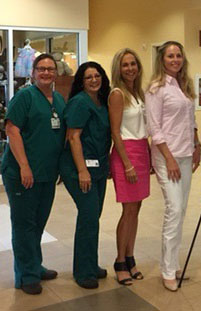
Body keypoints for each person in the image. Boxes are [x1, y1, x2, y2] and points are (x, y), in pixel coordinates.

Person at [1, 54, 65, 295]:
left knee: (38, 223)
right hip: (21, 174)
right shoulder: (24, 97)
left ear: (56, 73)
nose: (46, 73)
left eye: (50, 69)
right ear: (33, 73)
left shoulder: (58, 100)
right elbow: (12, 130)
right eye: (41, 69)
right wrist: (25, 166)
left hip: (46, 174)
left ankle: (34, 266)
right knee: (24, 225)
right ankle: (26, 275)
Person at [145, 41, 201, 292]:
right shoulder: (156, 88)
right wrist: (167, 158)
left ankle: (173, 263)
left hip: (186, 154)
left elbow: (191, 119)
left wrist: (197, 144)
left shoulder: (184, 85)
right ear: (162, 60)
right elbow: (154, 128)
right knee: (174, 209)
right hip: (167, 156)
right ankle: (167, 270)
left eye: (179, 55)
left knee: (181, 211)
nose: (175, 59)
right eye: (170, 56)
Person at [59, 61, 111, 289]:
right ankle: (83, 272)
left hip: (98, 168)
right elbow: (73, 137)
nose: (93, 80)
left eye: (97, 75)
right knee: (88, 217)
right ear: (81, 80)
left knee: (93, 218)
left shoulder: (101, 101)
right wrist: (82, 170)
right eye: (88, 77)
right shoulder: (80, 102)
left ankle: (90, 263)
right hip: (78, 169)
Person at [109, 48, 149, 286]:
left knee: (137, 209)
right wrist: (127, 164)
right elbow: (115, 131)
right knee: (128, 210)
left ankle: (131, 256)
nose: (130, 68)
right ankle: (120, 261)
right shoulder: (117, 94)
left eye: (133, 63)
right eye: (125, 64)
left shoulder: (139, 93)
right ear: (118, 68)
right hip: (127, 154)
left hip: (142, 151)